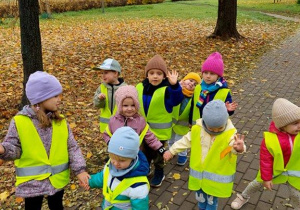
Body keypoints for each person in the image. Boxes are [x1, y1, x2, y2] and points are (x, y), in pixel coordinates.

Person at [0, 71, 89, 210]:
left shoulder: (60, 121)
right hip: (32, 183)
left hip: (57, 179)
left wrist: (80, 170)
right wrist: (3, 149)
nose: (59, 99)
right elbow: (14, 149)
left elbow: (72, 147)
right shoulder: (19, 121)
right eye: (55, 95)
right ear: (41, 98)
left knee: (57, 206)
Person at [164, 100, 246, 210]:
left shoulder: (230, 133)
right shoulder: (198, 129)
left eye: (219, 128)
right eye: (212, 128)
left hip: (215, 179)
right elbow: (185, 140)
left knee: (212, 203)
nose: (215, 131)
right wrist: (172, 150)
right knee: (201, 199)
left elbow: (233, 145)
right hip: (199, 177)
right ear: (204, 122)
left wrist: (239, 149)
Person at [231, 98, 300, 209]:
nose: (299, 126)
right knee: (256, 184)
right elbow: (266, 160)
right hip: (273, 170)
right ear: (283, 125)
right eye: (295, 123)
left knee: (297, 195)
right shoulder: (270, 140)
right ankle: (243, 196)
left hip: (294, 173)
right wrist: (266, 178)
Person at [136, 54, 184, 187]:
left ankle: (159, 172)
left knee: (158, 156)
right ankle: (145, 170)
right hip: (144, 132)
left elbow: (176, 100)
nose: (155, 76)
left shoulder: (167, 90)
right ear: (147, 75)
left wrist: (175, 86)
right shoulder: (140, 87)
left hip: (159, 134)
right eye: (151, 73)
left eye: (159, 73)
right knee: (144, 154)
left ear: (164, 76)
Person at [83, 127, 150, 210]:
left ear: (132, 157)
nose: (115, 163)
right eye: (112, 157)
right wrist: (90, 181)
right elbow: (103, 177)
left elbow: (140, 207)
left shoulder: (138, 185)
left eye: (121, 160)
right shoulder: (110, 165)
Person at [103, 85, 166, 164]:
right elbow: (106, 134)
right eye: (125, 105)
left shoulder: (140, 121)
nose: (129, 108)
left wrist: (160, 148)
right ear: (119, 105)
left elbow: (150, 137)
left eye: (133, 105)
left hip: (134, 157)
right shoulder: (114, 120)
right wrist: (111, 143)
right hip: (117, 158)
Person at [191, 52, 238, 124]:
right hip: (198, 125)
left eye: (212, 73)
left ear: (218, 76)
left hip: (214, 128)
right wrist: (190, 121)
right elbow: (193, 106)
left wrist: (228, 110)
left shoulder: (224, 91)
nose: (208, 76)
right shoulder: (198, 88)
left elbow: (228, 111)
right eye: (205, 73)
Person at [169, 72, 201, 166]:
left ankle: (182, 155)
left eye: (195, 84)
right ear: (184, 80)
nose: (191, 84)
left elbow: (193, 110)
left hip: (184, 124)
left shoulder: (195, 97)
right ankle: (171, 151)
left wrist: (192, 122)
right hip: (172, 122)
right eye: (190, 80)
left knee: (181, 140)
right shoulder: (177, 90)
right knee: (170, 139)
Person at [93, 58, 127, 133]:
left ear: (115, 73)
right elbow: (96, 104)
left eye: (106, 73)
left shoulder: (125, 88)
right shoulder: (102, 87)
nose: (103, 75)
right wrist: (100, 99)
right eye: (102, 73)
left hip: (121, 127)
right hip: (106, 128)